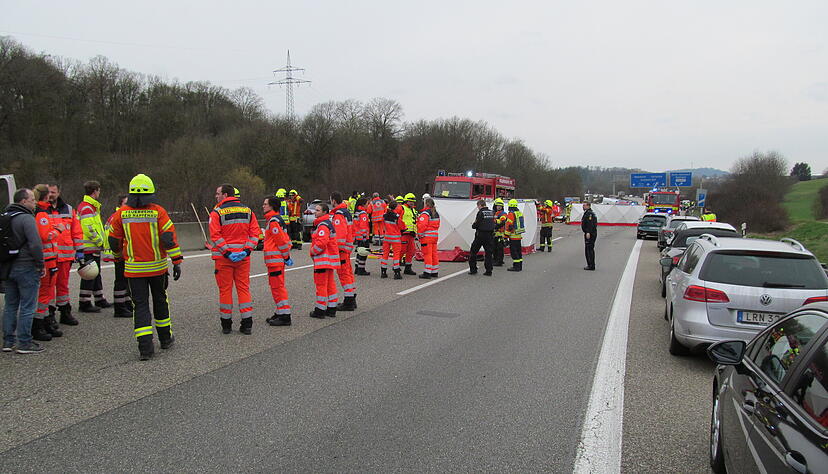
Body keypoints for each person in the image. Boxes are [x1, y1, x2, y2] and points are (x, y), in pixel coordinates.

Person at [108, 174, 183, 360]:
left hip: (134, 270)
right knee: (160, 301)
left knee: (140, 306)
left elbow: (113, 240)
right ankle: (165, 339)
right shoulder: (158, 212)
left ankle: (145, 348)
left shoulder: (121, 213)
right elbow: (168, 239)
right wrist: (176, 261)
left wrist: (118, 258)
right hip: (157, 269)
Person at [210, 184, 260, 335]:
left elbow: (215, 235)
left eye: (218, 193)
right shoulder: (248, 211)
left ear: (225, 195)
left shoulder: (217, 212)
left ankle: (226, 325)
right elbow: (255, 233)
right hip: (243, 258)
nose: (216, 196)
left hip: (224, 258)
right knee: (243, 289)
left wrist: (226, 252)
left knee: (225, 290)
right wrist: (246, 250)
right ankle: (247, 324)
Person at [2, 188, 46, 354]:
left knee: (10, 305)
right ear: (23, 201)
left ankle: (8, 341)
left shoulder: (5, 217)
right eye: (32, 200)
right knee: (28, 306)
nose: (34, 203)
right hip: (26, 266)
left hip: (8, 266)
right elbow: (35, 243)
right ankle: (24, 343)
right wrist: (40, 264)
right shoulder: (26, 218)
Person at [47, 184, 82, 326]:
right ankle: (49, 315)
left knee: (63, 286)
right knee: (49, 287)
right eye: (48, 192)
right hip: (50, 256)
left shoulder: (68, 209)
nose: (51, 195)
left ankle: (65, 312)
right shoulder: (41, 209)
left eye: (53, 192)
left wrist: (80, 250)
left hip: (65, 256)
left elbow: (76, 231)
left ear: (58, 192)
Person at [32, 184, 62, 341]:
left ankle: (44, 322)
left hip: (49, 258)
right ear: (46, 196)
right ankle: (38, 326)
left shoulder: (40, 211)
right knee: (45, 294)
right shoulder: (42, 213)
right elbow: (45, 236)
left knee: (48, 293)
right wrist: (59, 230)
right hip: (47, 259)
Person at [77, 180, 111, 312]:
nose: (99, 193)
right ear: (95, 191)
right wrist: (100, 241)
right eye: (98, 190)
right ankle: (84, 302)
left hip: (92, 247)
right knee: (89, 274)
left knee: (96, 273)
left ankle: (99, 298)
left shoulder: (91, 207)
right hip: (89, 247)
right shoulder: (87, 207)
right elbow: (89, 229)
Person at [261, 196, 292, 326]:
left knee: (277, 287)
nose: (263, 206)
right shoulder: (274, 220)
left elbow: (281, 242)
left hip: (275, 261)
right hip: (275, 260)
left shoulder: (273, 221)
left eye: (265, 204)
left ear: (272, 206)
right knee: (276, 287)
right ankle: (280, 312)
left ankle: (285, 315)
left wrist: (286, 257)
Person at [104, 194, 134, 318]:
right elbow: (113, 237)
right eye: (126, 203)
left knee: (126, 280)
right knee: (121, 280)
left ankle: (126, 302)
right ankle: (119, 307)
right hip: (119, 252)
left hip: (124, 252)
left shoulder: (122, 215)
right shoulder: (118, 216)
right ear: (120, 204)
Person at [309, 202, 339, 319]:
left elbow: (321, 243)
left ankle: (320, 310)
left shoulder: (323, 225)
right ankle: (331, 308)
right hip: (329, 261)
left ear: (324, 212)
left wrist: (312, 251)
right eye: (315, 210)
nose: (315, 212)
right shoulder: (327, 223)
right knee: (330, 285)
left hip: (323, 261)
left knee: (321, 285)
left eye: (318, 210)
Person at [330, 192, 357, 312]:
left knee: (344, 275)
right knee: (348, 273)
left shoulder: (339, 214)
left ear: (334, 201)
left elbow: (340, 235)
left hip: (341, 250)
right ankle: (351, 298)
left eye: (331, 200)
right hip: (347, 248)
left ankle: (349, 301)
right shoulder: (346, 212)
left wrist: (335, 248)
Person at [468, 199, 495, 276]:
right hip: (489, 235)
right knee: (488, 253)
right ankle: (489, 271)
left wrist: (473, 225)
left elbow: (477, 223)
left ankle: (473, 269)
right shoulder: (491, 212)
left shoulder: (480, 213)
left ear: (480, 205)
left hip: (480, 235)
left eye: (478, 206)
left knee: (473, 252)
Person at [380, 201, 405, 279]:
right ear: (395, 207)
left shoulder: (385, 215)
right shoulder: (396, 216)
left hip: (387, 237)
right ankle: (396, 272)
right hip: (395, 238)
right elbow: (402, 226)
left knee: (385, 254)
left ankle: (383, 272)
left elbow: (383, 224)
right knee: (396, 255)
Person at [417, 197, 440, 279]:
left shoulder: (425, 213)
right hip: (434, 237)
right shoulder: (436, 213)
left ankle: (427, 272)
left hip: (426, 237)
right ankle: (434, 271)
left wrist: (419, 235)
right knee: (434, 254)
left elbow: (422, 226)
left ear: (426, 204)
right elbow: (437, 225)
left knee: (427, 254)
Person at [400, 193, 419, 275]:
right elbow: (398, 220)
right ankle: (396, 266)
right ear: (406, 201)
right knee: (402, 251)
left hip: (411, 234)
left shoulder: (414, 210)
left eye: (413, 202)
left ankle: (408, 268)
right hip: (404, 233)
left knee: (411, 251)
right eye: (410, 201)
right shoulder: (402, 208)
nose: (412, 203)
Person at [505, 199, 525, 272]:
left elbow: (508, 226)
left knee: (514, 252)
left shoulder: (511, 214)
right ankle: (519, 266)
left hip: (513, 237)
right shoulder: (519, 213)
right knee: (519, 252)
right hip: (518, 236)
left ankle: (516, 267)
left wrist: (505, 236)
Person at [352, 197, 371, 276]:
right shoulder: (363, 213)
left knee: (359, 253)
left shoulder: (357, 212)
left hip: (358, 236)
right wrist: (364, 237)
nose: (368, 205)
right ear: (363, 204)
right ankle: (361, 269)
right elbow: (363, 226)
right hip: (363, 237)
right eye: (367, 204)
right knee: (363, 254)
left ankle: (357, 268)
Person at [582, 202, 597, 271]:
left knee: (589, 249)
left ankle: (591, 265)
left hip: (590, 233)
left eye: (584, 205)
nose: (583, 206)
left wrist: (588, 232)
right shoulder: (588, 213)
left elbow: (590, 224)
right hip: (590, 233)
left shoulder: (589, 214)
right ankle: (590, 264)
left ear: (588, 206)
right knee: (588, 249)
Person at [492, 198, 507, 266]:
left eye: (500, 206)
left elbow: (502, 222)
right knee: (494, 247)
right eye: (498, 206)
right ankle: (495, 260)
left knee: (499, 248)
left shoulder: (503, 213)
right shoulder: (494, 213)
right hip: (495, 233)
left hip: (500, 234)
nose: (499, 207)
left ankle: (499, 261)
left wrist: (496, 224)